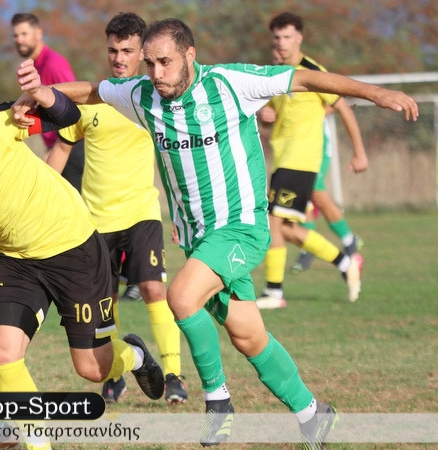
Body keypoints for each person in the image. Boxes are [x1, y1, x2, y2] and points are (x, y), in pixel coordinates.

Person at [36, 17, 418, 448]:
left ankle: (218, 402)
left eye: (165, 62)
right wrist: (36, 97)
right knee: (249, 335)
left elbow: (306, 79)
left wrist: (377, 93)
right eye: (149, 64)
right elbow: (89, 91)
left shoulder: (230, 83)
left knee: (180, 296)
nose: (156, 73)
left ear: (190, 56)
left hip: (242, 228)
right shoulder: (143, 95)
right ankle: (313, 415)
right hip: (200, 240)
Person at [0, 59, 165, 450]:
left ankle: (136, 356)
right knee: (3, 351)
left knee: (92, 368)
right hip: (19, 261)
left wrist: (39, 93)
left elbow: (66, 115)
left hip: (75, 247)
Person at [44, 12, 187, 406]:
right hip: (94, 221)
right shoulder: (92, 99)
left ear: (143, 52)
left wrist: (178, 212)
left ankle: (173, 373)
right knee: (103, 303)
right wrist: (39, 194)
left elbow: (174, 159)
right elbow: (61, 148)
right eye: (113, 50)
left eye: (127, 50)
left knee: (154, 287)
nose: (119, 57)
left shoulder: (154, 99)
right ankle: (116, 374)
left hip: (142, 212)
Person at [255, 12, 366, 309]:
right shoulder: (275, 74)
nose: (281, 43)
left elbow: (344, 107)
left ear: (299, 38)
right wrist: (265, 118)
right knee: (286, 229)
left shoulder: (313, 71)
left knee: (271, 222)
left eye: (287, 37)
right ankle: (345, 262)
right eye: (277, 37)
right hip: (282, 160)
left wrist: (359, 151)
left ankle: (274, 293)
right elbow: (272, 119)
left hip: (301, 160)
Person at [11, 12, 84, 191]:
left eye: (24, 34)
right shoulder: (35, 66)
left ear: (39, 33)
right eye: (15, 35)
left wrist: (57, 149)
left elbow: (76, 103)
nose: (19, 40)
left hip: (71, 149)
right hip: (58, 148)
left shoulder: (54, 63)